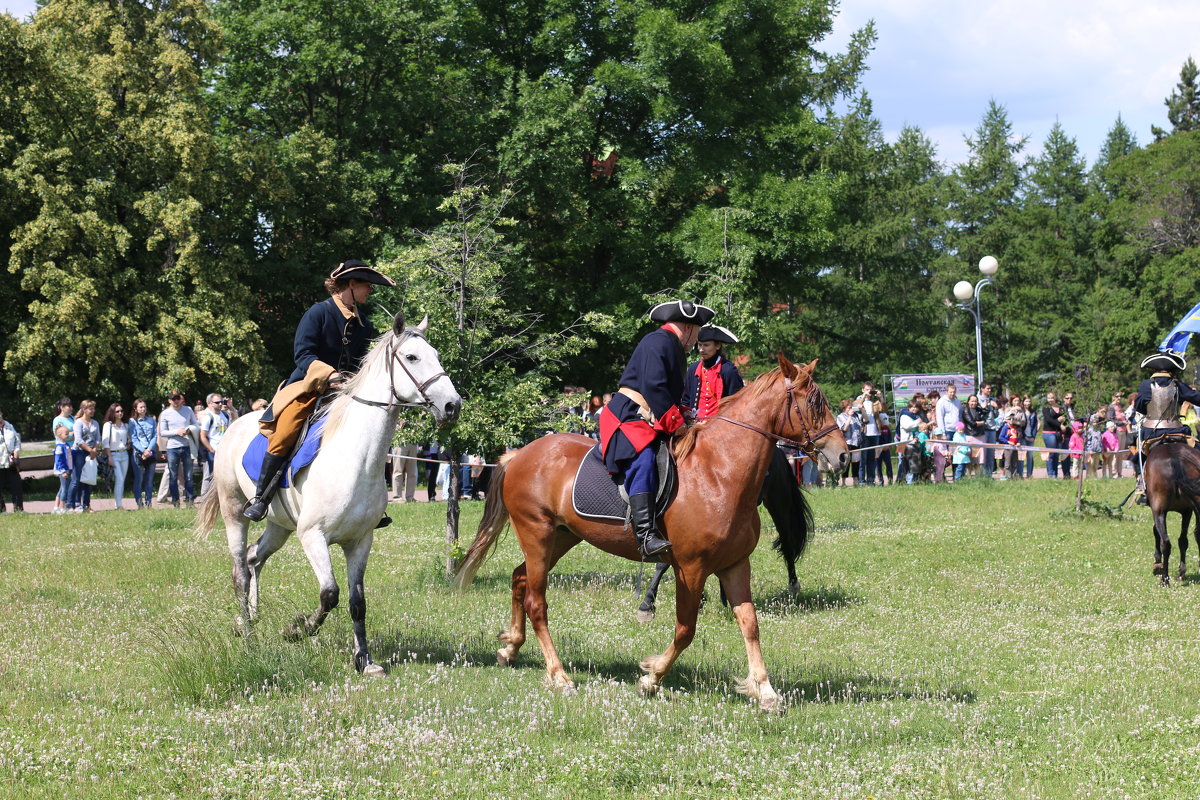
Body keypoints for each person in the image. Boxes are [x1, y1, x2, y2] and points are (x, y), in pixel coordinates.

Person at [244, 259, 396, 522]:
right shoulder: (318, 313)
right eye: (366, 285)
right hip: (308, 388)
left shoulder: (365, 324)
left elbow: (362, 363)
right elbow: (303, 354)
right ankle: (261, 497)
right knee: (286, 431)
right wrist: (330, 375)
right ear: (350, 284)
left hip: (346, 394)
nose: (370, 290)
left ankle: (369, 504)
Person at [597, 300, 713, 559]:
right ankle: (646, 535)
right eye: (697, 332)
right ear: (687, 327)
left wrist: (686, 416)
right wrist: (677, 424)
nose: (697, 339)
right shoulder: (658, 341)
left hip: (649, 415)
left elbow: (669, 396)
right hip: (627, 416)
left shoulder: (670, 346)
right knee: (644, 458)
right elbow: (654, 387)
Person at [681, 325, 744, 421]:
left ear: (717, 346)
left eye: (706, 345)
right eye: (700, 345)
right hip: (694, 425)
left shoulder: (728, 370)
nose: (701, 349)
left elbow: (737, 403)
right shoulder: (693, 369)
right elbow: (686, 400)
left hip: (720, 427)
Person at [158, 391, 198, 507]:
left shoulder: (188, 410)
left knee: (189, 475)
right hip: (172, 448)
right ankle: (176, 501)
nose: (176, 401)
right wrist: (177, 432)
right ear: (169, 400)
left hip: (187, 446)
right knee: (173, 476)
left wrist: (189, 429)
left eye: (178, 399)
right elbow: (162, 432)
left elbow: (195, 424)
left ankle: (190, 501)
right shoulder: (165, 414)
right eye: (173, 399)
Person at [71, 400, 100, 512]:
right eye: (90, 408)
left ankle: (87, 505)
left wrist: (94, 449)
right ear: (84, 410)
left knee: (89, 479)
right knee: (78, 478)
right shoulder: (78, 422)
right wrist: (89, 450)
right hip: (79, 452)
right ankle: (76, 504)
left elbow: (98, 438)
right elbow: (78, 440)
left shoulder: (95, 423)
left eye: (93, 408)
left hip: (91, 453)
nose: (93, 411)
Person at [199, 392, 230, 496]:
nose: (220, 404)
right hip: (213, 451)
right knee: (211, 476)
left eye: (221, 402)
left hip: (224, 450)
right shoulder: (208, 417)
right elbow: (203, 436)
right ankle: (207, 496)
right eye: (217, 402)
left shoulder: (225, 415)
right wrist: (211, 449)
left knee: (225, 474)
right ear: (210, 403)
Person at [101, 402, 131, 510]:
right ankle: (118, 505)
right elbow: (105, 443)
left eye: (121, 411)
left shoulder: (125, 425)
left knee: (122, 479)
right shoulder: (108, 425)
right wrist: (109, 457)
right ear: (112, 412)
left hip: (124, 454)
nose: (120, 413)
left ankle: (118, 502)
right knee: (119, 478)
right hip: (114, 454)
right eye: (117, 411)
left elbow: (128, 439)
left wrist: (128, 444)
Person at [128, 399, 157, 509]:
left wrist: (149, 450)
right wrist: (143, 451)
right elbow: (134, 438)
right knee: (139, 479)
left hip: (150, 452)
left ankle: (149, 502)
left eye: (144, 407)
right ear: (136, 409)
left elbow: (154, 436)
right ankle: (139, 503)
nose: (143, 409)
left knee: (149, 480)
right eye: (140, 407)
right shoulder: (132, 421)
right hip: (138, 454)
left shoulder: (152, 420)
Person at [0, 408, 23, 512]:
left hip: (10, 462)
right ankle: (1, 510)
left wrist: (17, 450)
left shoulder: (9, 426)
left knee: (16, 485)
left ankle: (18, 509)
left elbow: (17, 439)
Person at [960, 394, 987, 477]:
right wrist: (982, 423)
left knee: (979, 460)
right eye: (972, 401)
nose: (974, 403)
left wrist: (983, 407)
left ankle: (979, 477)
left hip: (981, 436)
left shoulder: (979, 409)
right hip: (970, 436)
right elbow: (972, 423)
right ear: (968, 401)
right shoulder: (965, 410)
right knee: (970, 459)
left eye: (975, 401)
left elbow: (987, 413)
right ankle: (968, 476)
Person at [1041, 392, 1065, 479]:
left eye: (1052, 397)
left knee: (1056, 454)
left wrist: (1063, 420)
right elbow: (1048, 419)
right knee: (1051, 454)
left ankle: (1055, 473)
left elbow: (1064, 416)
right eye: (1049, 398)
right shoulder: (1046, 407)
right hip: (1049, 433)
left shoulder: (1060, 407)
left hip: (1058, 433)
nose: (1050, 400)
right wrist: (1059, 424)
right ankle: (1051, 474)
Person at [52, 424, 71, 514]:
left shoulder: (66, 445)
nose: (68, 435)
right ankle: (62, 507)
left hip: (67, 469)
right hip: (63, 470)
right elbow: (58, 460)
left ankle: (56, 507)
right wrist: (63, 471)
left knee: (61, 488)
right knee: (64, 489)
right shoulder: (59, 447)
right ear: (60, 435)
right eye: (66, 434)